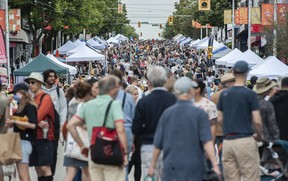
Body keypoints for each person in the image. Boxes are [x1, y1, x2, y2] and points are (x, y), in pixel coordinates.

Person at [147, 77, 220, 180]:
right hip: (195, 167)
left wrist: (152, 166)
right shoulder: (200, 114)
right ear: (190, 91)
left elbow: (158, 144)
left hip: (171, 167)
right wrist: (215, 165)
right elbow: (207, 141)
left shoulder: (167, 114)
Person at [67, 75, 128, 181]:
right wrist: (125, 153)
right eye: (117, 87)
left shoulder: (88, 105)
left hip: (94, 153)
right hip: (112, 152)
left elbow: (70, 125)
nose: (119, 90)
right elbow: (120, 130)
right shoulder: (114, 105)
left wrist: (82, 145)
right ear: (111, 89)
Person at [217, 61, 263, 181]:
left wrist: (228, 128)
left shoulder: (224, 94)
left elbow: (220, 118)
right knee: (250, 176)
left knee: (231, 178)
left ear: (233, 72)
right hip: (245, 139)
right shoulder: (250, 94)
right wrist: (258, 135)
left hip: (228, 140)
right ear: (247, 73)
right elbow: (257, 121)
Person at [132, 66, 177, 180]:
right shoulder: (173, 100)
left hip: (148, 145)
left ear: (149, 82)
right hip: (169, 146)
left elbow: (136, 127)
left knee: (149, 175)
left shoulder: (143, 102)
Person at [26, 72, 55, 181]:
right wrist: (36, 122)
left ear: (39, 83)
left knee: (44, 167)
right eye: (29, 82)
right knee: (38, 168)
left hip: (45, 137)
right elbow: (22, 114)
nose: (30, 85)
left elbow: (37, 116)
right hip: (34, 136)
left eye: (32, 82)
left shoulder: (45, 98)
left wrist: (33, 120)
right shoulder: (32, 98)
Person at [6, 83, 37, 181]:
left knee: (23, 175)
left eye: (16, 93)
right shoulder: (19, 106)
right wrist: (7, 105)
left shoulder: (29, 106)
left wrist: (15, 121)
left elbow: (33, 124)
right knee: (22, 175)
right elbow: (8, 122)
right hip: (18, 141)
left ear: (22, 93)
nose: (14, 96)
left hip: (25, 141)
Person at [63, 82, 92, 181]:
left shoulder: (71, 105)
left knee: (70, 173)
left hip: (71, 142)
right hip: (83, 141)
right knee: (86, 172)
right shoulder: (86, 107)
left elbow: (68, 123)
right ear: (87, 94)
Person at [110, 70, 135, 181]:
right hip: (127, 132)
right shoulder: (128, 98)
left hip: (110, 132)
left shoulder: (106, 96)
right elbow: (134, 118)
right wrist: (133, 139)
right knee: (124, 165)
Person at [42, 69, 67, 176]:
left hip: (54, 125)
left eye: (54, 76)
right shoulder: (40, 91)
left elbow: (63, 108)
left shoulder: (58, 91)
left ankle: (51, 173)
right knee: (42, 150)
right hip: (41, 125)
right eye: (50, 76)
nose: (52, 78)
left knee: (53, 150)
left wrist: (62, 124)